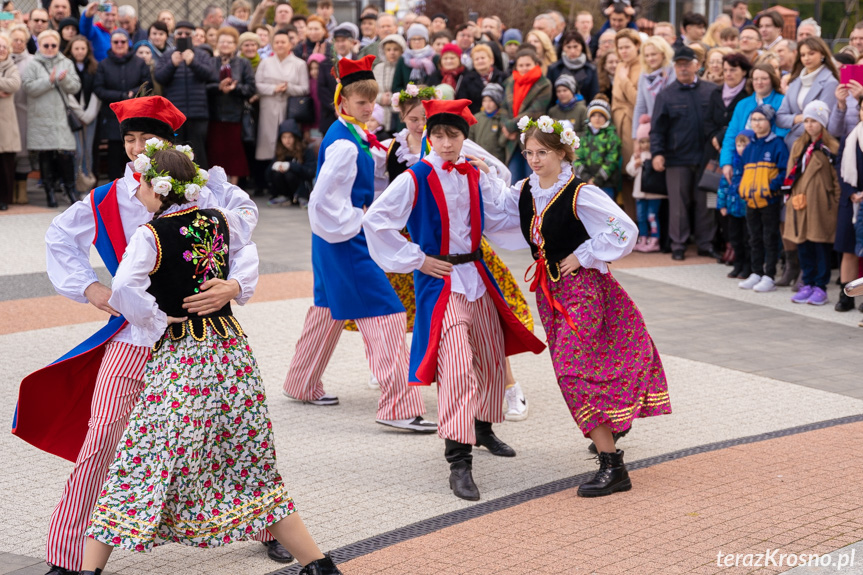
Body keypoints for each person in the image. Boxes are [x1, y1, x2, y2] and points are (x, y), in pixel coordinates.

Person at [14, 95, 294, 574]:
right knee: (102, 438)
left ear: (171, 144)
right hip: (134, 337)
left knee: (227, 433)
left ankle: (269, 526)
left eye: (148, 138)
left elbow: (242, 238)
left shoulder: (203, 191)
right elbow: (59, 236)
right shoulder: (105, 197)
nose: (137, 147)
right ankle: (66, 556)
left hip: (197, 339)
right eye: (129, 138)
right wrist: (90, 287)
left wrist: (234, 284)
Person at [75, 144, 343, 575]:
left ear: (154, 187)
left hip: (184, 364)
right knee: (249, 461)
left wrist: (156, 318)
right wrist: (233, 286)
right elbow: (248, 255)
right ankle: (319, 566)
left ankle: (88, 571)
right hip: (233, 357)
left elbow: (124, 287)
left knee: (140, 458)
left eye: (140, 184)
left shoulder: (151, 233)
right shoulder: (217, 220)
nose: (136, 191)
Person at [364, 98, 544, 500]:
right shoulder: (415, 176)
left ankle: (482, 428)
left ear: (465, 138)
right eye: (439, 135)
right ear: (428, 136)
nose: (446, 143)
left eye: (454, 135)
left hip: (477, 276)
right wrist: (418, 258)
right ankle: (458, 460)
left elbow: (502, 219)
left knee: (491, 357)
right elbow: (376, 220)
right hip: (441, 281)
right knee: (459, 367)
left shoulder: (474, 175)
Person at [507, 114, 670, 496]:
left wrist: (586, 254)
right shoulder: (526, 190)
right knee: (583, 366)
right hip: (550, 293)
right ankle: (611, 428)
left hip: (584, 291)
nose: (534, 159)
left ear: (563, 153)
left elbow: (624, 228)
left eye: (542, 152)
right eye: (529, 152)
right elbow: (501, 211)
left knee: (572, 371)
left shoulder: (580, 193)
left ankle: (613, 467)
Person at [281, 55, 435, 433]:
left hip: (331, 241)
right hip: (345, 240)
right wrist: (357, 221)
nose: (368, 107)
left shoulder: (351, 134)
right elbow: (320, 200)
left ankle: (301, 383)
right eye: (361, 101)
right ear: (343, 101)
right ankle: (399, 406)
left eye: (372, 100)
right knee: (387, 311)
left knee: (326, 308)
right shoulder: (346, 144)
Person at [650, 45, 720, 261]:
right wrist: (657, 153)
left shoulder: (711, 91)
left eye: (687, 64)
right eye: (679, 65)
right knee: (678, 205)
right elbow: (657, 129)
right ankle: (678, 244)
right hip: (677, 158)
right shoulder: (666, 95)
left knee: (706, 203)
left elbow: (719, 121)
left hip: (707, 157)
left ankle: (705, 244)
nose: (683, 68)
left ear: (697, 65)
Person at [784, 100, 840, 306]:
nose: (809, 125)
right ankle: (807, 282)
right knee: (804, 245)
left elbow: (837, 180)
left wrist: (833, 203)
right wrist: (789, 197)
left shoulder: (830, 148)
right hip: (800, 203)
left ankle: (820, 286)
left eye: (814, 121)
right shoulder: (799, 146)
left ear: (823, 123)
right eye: (806, 120)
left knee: (820, 246)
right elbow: (790, 174)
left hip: (821, 205)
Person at [21, 28, 80, 207]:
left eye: (53, 45)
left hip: (60, 117)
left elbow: (76, 86)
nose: (50, 48)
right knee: (45, 155)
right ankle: (49, 193)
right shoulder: (32, 64)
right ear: (39, 45)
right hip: (40, 117)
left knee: (65, 154)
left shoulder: (66, 62)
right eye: (46, 45)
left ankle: (70, 189)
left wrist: (63, 80)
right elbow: (28, 87)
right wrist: (49, 81)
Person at [736, 104, 788, 293]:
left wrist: (770, 188)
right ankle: (756, 272)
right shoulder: (750, 147)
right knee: (754, 238)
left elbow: (783, 172)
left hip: (769, 201)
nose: (756, 124)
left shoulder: (777, 144)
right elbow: (742, 171)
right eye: (754, 120)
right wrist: (742, 189)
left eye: (760, 119)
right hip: (751, 201)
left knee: (770, 237)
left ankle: (769, 275)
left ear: (770, 121)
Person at [154, 20, 219, 169]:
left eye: (187, 34)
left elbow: (210, 75)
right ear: (174, 36)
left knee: (198, 152)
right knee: (174, 151)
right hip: (174, 114)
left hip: (198, 113)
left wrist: (192, 62)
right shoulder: (168, 56)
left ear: (194, 36)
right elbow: (160, 78)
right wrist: (172, 64)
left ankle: (200, 185)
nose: (183, 36)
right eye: (180, 33)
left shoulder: (201, 55)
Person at [94, 28, 152, 179]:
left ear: (128, 43)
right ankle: (115, 185)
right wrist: (121, 96)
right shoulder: (103, 64)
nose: (119, 44)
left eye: (123, 41)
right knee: (114, 153)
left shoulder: (139, 63)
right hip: (113, 116)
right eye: (116, 42)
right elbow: (99, 89)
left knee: (135, 150)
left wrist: (133, 94)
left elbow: (147, 85)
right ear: (111, 44)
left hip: (136, 116)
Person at [207, 26, 255, 186]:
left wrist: (236, 88)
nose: (225, 44)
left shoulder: (243, 63)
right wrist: (218, 87)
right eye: (222, 41)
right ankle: (215, 186)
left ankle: (232, 187)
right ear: (217, 43)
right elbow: (204, 86)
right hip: (214, 114)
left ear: (235, 45)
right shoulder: (210, 62)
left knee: (234, 153)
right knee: (215, 152)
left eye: (229, 42)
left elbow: (251, 88)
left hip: (235, 115)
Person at [254, 28, 308, 170]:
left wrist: (288, 87)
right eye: (277, 42)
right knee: (266, 140)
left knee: (288, 138)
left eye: (283, 42)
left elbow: (305, 88)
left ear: (290, 44)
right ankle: (266, 175)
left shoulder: (299, 64)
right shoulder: (265, 62)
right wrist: (273, 88)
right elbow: (257, 85)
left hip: (289, 106)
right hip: (269, 105)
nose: (280, 45)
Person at [830, 81, 863, 312]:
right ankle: (847, 296)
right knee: (848, 250)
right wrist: (851, 193)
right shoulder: (850, 137)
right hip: (850, 201)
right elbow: (841, 167)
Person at [776, 37, 839, 151]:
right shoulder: (795, 82)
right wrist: (798, 118)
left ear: (822, 55)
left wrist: (798, 120)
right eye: (803, 55)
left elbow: (822, 119)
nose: (806, 58)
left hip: (815, 146)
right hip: (792, 145)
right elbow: (780, 118)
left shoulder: (830, 83)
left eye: (811, 53)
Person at [501, 49, 552, 182]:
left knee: (534, 179)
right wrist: (505, 127)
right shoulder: (510, 82)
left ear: (536, 64)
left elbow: (535, 111)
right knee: (515, 181)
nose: (524, 68)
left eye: (528, 65)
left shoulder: (544, 84)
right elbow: (504, 107)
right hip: (513, 141)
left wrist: (510, 126)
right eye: (521, 65)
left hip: (533, 138)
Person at [610, 28, 641, 218]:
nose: (623, 51)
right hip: (618, 125)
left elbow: (639, 99)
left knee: (635, 172)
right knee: (623, 176)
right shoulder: (620, 66)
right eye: (620, 47)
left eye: (627, 47)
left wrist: (623, 80)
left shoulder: (643, 67)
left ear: (637, 46)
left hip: (634, 123)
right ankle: (630, 219)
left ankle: (643, 222)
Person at [65, 34, 100, 192]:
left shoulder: (94, 67)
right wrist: (79, 113)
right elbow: (67, 92)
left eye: (83, 48)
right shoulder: (66, 66)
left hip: (90, 114)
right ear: (71, 50)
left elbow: (97, 91)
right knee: (76, 151)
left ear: (88, 50)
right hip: (72, 114)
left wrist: (89, 114)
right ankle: (73, 184)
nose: (80, 52)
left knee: (87, 151)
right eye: (76, 48)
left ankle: (86, 184)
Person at [719, 130, 753, 278]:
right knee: (735, 239)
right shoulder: (732, 164)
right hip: (733, 208)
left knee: (747, 240)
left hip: (747, 208)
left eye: (744, 144)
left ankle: (748, 266)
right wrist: (722, 205)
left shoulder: (752, 164)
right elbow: (724, 186)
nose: (741, 148)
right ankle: (737, 264)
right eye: (738, 145)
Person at [628, 114, 664, 252]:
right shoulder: (637, 156)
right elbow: (630, 170)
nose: (645, 145)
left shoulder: (656, 156)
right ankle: (643, 237)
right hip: (639, 193)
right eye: (642, 142)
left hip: (654, 193)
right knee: (641, 216)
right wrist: (636, 164)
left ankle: (654, 238)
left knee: (652, 215)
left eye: (648, 141)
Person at [575, 96, 621, 200]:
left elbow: (612, 160)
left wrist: (597, 180)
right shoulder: (584, 136)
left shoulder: (611, 136)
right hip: (586, 184)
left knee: (607, 214)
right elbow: (577, 158)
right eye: (594, 115)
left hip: (606, 184)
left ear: (607, 118)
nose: (597, 118)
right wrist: (586, 178)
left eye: (601, 115)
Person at [631, 36, 675, 141]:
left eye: (654, 54)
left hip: (672, 127)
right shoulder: (644, 75)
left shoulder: (673, 71)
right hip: (652, 129)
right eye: (647, 55)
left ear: (663, 54)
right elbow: (640, 106)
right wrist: (636, 136)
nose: (650, 58)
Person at [9, 24, 32, 205]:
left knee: (23, 152)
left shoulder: (32, 61)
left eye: (21, 40)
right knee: (8, 151)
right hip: (6, 112)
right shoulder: (4, 59)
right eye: (15, 40)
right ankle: (9, 190)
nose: (18, 43)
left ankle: (22, 188)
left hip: (25, 111)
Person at [269, 118, 315, 206]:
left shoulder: (305, 150)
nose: (287, 140)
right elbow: (268, 175)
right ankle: (283, 196)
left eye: (290, 137)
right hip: (285, 188)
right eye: (284, 137)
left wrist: (291, 166)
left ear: (296, 137)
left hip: (302, 186)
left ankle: (301, 196)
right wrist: (274, 166)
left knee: (289, 174)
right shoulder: (279, 151)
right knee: (277, 174)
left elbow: (311, 172)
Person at [547, 30, 599, 103]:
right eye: (568, 47)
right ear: (563, 48)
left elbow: (594, 96)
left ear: (582, 47)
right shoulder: (554, 69)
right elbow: (550, 98)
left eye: (575, 46)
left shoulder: (591, 69)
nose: (572, 51)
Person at [0, 33, 21, 210]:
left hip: (6, 124)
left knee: (6, 164)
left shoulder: (11, 67)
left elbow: (14, 84)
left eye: (4, 47)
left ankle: (5, 199)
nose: (1, 49)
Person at [454, 44, 505, 115]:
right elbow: (462, 103)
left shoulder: (502, 76)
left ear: (491, 60)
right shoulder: (467, 79)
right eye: (476, 59)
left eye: (483, 58)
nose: (480, 61)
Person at [372, 33, 407, 132]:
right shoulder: (378, 68)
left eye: (395, 49)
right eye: (388, 50)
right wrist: (380, 98)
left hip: (398, 116)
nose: (392, 53)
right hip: (379, 117)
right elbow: (370, 91)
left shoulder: (404, 68)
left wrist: (393, 98)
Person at [469, 82, 508, 164]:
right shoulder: (476, 118)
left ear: (497, 102)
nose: (487, 104)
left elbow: (501, 143)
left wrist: (505, 133)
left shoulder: (501, 118)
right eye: (484, 100)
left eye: (491, 101)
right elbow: (470, 138)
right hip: (479, 158)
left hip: (496, 160)